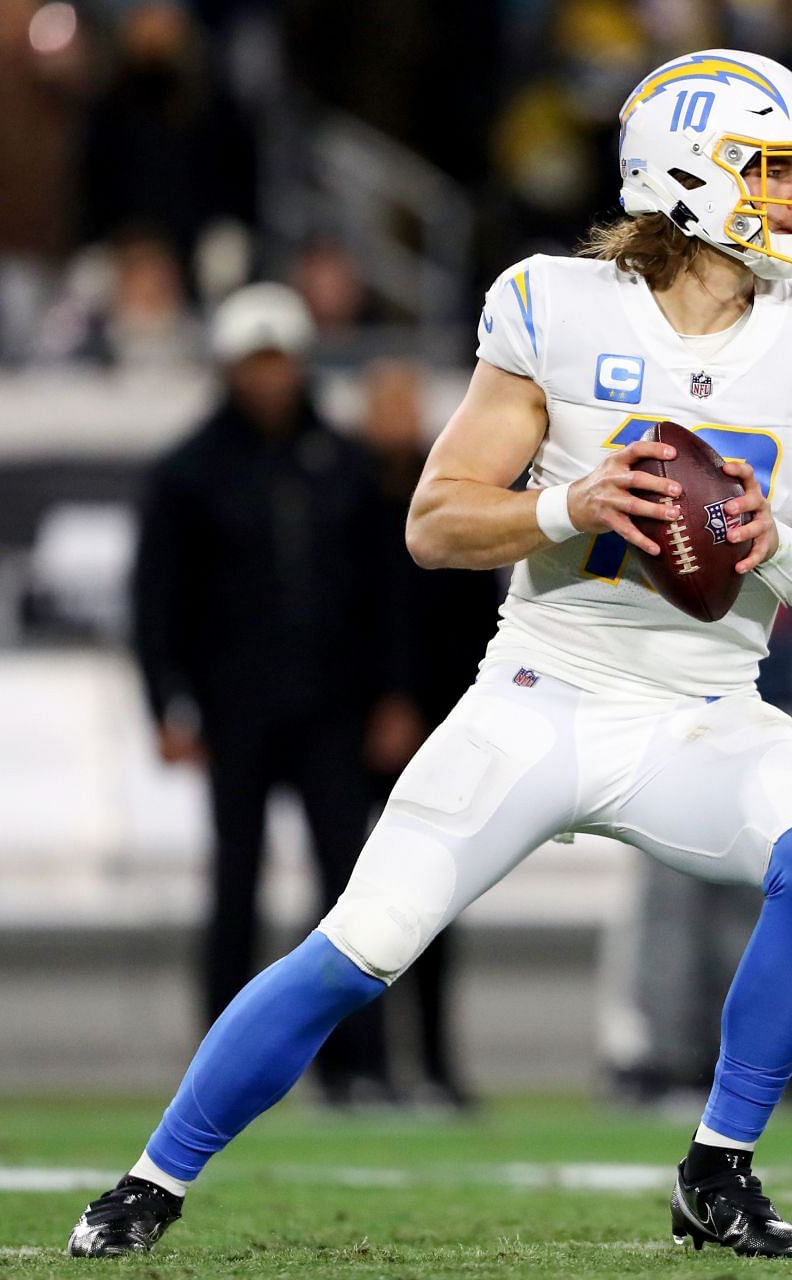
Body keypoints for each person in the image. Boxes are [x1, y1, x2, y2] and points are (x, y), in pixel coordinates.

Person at [70, 49, 792, 1259]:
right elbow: (434, 519)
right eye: (769, 172)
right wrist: (572, 505)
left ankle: (718, 1168)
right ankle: (149, 1179)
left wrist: (783, 549)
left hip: (706, 707)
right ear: (685, 179)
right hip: (543, 692)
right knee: (358, 948)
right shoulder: (557, 304)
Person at [130, 282, 405, 1105]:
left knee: (350, 895)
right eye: (255, 361)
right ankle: (221, 1072)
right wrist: (165, 703)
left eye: (280, 358)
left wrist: (394, 696)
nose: (270, 377)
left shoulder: (349, 466)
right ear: (228, 366)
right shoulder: (188, 471)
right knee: (234, 889)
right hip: (234, 712)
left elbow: (385, 594)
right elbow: (156, 600)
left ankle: (356, 1066)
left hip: (334, 711)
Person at [356, 358, 499, 1108]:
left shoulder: (449, 493)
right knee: (359, 903)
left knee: (435, 898)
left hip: (445, 719)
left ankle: (435, 1062)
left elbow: (476, 612)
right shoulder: (346, 495)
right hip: (358, 727)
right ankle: (364, 1066)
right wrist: (383, 700)